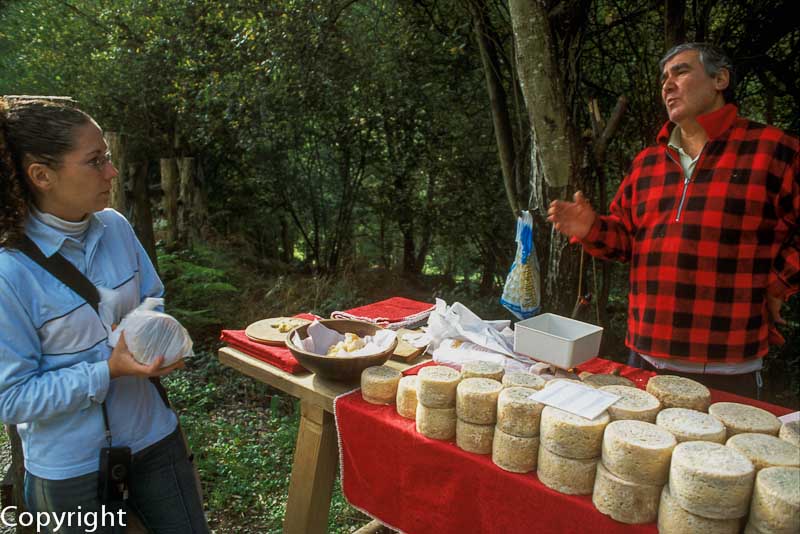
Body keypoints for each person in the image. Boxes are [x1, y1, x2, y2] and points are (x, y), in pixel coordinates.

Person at [0, 97, 210, 533]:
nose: (112, 172)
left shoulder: (115, 226)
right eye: (96, 161)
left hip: (154, 436)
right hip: (70, 468)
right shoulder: (9, 272)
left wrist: (155, 337)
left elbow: (153, 296)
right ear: (42, 175)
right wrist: (107, 370)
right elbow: (12, 399)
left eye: (108, 158)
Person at [547, 43, 799, 398]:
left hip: (727, 365)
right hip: (644, 356)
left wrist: (778, 284)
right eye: (663, 77)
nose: (667, 85)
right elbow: (625, 242)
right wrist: (591, 229)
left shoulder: (774, 149)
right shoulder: (647, 162)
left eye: (680, 71)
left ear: (720, 79)